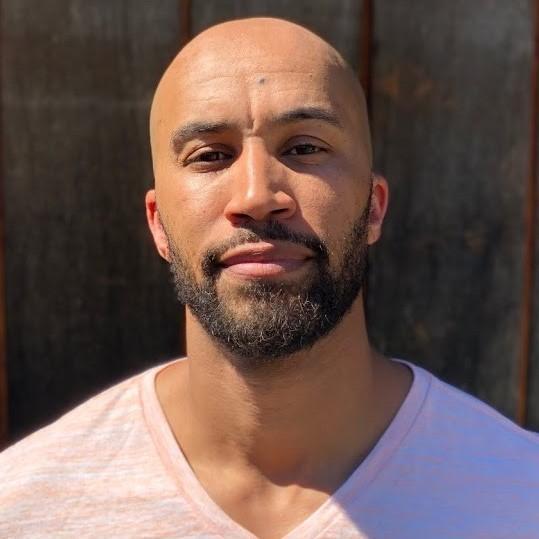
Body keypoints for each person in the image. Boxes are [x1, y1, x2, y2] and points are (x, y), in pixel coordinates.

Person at [1, 17, 538, 539]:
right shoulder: (22, 510)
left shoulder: (521, 500)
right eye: (210, 156)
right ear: (158, 223)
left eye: (304, 148)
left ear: (373, 208)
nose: (258, 195)